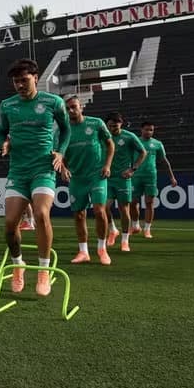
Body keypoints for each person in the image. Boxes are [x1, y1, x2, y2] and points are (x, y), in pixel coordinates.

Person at [0, 58, 71, 296]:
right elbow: (1, 132)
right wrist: (5, 143)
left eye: (24, 80)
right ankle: (18, 265)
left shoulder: (54, 102)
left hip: (43, 168)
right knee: (10, 224)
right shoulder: (7, 105)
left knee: (41, 213)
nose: (19, 85)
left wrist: (60, 151)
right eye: (16, 81)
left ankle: (43, 270)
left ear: (36, 78)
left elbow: (67, 129)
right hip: (18, 171)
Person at [62, 96, 115, 265]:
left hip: (96, 175)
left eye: (73, 107)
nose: (71, 110)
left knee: (99, 211)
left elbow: (110, 144)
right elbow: (58, 153)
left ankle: (102, 249)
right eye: (67, 108)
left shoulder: (96, 123)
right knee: (79, 214)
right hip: (77, 178)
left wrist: (107, 165)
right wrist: (63, 169)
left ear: (81, 107)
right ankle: (83, 251)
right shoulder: (63, 130)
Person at [104, 113, 147, 252]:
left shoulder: (129, 136)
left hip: (123, 179)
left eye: (115, 126)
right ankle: (112, 230)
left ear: (121, 124)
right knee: (104, 207)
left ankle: (124, 240)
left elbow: (143, 152)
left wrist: (132, 169)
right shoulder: (104, 136)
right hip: (107, 178)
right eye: (110, 126)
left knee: (124, 209)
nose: (112, 128)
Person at [129, 122, 178, 238]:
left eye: (151, 130)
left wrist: (172, 177)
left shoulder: (157, 144)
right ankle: (135, 226)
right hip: (135, 176)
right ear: (141, 130)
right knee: (132, 202)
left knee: (149, 202)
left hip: (150, 176)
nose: (149, 132)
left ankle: (147, 229)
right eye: (147, 129)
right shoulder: (135, 142)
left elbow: (164, 161)